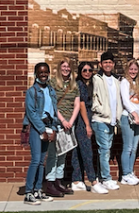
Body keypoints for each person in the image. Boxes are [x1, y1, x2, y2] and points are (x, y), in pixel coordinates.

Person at [23, 62, 57, 205]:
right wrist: (42, 130)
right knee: (36, 160)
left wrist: (54, 128)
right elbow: (31, 113)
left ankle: (38, 190)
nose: (43, 75)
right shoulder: (32, 91)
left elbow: (54, 110)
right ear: (36, 74)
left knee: (42, 162)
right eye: (40, 72)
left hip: (48, 126)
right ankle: (28, 193)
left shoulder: (50, 90)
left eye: (46, 72)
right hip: (37, 128)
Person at [71, 62, 108, 194]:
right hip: (82, 119)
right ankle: (93, 181)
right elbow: (81, 105)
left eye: (90, 70)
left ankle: (76, 180)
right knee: (87, 151)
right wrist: (87, 125)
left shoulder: (89, 84)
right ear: (80, 71)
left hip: (86, 117)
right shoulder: (80, 85)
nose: (87, 72)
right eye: (84, 70)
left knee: (78, 150)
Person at [45, 58, 78, 197]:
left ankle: (59, 181)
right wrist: (63, 120)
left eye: (68, 67)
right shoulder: (52, 83)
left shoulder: (73, 85)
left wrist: (70, 121)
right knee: (53, 154)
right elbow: (52, 104)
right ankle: (50, 183)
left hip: (69, 124)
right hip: (56, 123)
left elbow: (76, 104)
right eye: (64, 66)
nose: (66, 69)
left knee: (63, 154)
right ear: (59, 68)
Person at [91, 51, 122, 190]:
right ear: (100, 64)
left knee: (105, 150)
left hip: (112, 121)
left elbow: (118, 101)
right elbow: (93, 97)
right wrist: (101, 110)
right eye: (105, 62)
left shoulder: (116, 80)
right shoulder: (96, 78)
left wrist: (117, 117)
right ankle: (106, 178)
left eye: (110, 62)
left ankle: (101, 177)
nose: (108, 65)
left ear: (113, 64)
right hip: (100, 120)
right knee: (104, 150)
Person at [120, 60, 139, 186]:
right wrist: (134, 114)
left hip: (138, 118)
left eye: (135, 69)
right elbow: (125, 101)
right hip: (128, 117)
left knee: (134, 148)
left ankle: (130, 172)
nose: (133, 72)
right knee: (128, 147)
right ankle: (125, 175)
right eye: (131, 69)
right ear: (127, 70)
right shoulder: (124, 82)